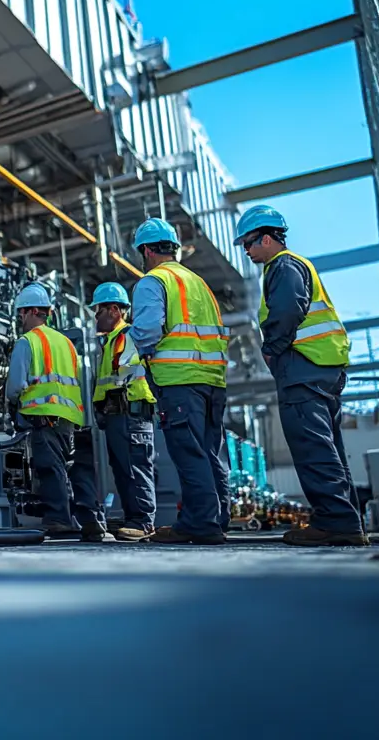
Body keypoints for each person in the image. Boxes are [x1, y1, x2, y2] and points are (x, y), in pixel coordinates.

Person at [236, 205, 368, 547]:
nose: (247, 251)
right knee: (328, 449)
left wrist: (271, 349)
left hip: (303, 368)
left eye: (248, 244)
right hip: (322, 368)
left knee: (313, 448)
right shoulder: (295, 265)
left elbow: (287, 309)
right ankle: (345, 519)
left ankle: (337, 522)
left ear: (266, 238)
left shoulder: (283, 265)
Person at [126, 218, 231, 545]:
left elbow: (147, 330)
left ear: (146, 250)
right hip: (213, 380)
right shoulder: (199, 283)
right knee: (211, 453)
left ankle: (200, 523)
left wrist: (136, 350)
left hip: (178, 380)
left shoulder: (153, 281)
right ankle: (218, 519)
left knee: (190, 454)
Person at [3, 283, 98, 539]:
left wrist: (11, 403)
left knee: (49, 468)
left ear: (33, 311)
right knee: (67, 470)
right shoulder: (67, 343)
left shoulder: (28, 342)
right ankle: (81, 518)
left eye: (22, 313)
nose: (20, 319)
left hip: (43, 416)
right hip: (70, 417)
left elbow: (15, 386)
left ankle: (58, 519)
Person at [87, 281, 158, 542]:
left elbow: (126, 377)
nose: (96, 317)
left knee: (135, 469)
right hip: (119, 416)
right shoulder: (111, 342)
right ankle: (134, 520)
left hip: (131, 414)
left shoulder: (127, 337)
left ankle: (143, 521)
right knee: (124, 470)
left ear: (115, 310)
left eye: (99, 310)